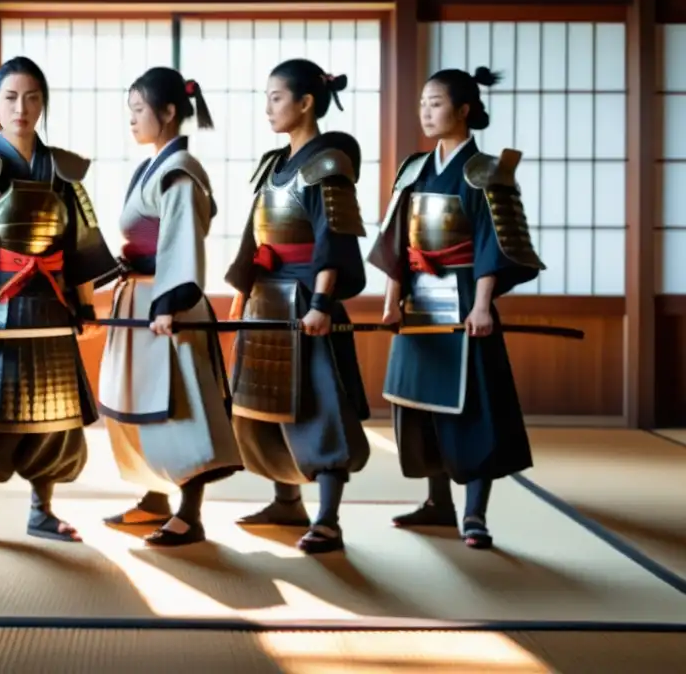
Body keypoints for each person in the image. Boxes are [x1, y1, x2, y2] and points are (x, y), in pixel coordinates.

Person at [0, 56, 117, 548]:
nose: (22, 107)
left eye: (32, 98)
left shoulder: (65, 171)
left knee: (51, 413)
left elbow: (80, 247)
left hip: (50, 308)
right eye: (11, 98)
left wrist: (86, 307)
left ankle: (42, 511)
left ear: (43, 104)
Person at [367, 65, 544, 550]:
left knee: (472, 408)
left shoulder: (486, 170)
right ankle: (436, 503)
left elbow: (492, 242)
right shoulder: (414, 168)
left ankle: (475, 514)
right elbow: (394, 242)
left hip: (466, 296)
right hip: (418, 296)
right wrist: (391, 300)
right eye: (423, 102)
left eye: (437, 103)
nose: (426, 111)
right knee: (422, 405)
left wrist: (483, 305)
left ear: (464, 109)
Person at [224, 59, 372, 555]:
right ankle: (287, 502)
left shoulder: (327, 165)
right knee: (262, 406)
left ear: (306, 103)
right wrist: (241, 295)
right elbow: (254, 237)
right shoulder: (273, 164)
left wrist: (323, 304)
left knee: (319, 407)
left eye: (276, 97)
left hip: (307, 301)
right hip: (267, 298)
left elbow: (335, 239)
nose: (267, 107)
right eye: (266, 97)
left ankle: (329, 519)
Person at [97, 67, 243, 547]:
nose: (133, 120)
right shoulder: (156, 164)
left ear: (168, 112)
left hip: (166, 307)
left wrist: (171, 303)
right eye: (131, 111)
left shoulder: (180, 171)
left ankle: (190, 513)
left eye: (139, 110)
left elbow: (181, 242)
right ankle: (153, 498)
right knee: (137, 406)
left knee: (181, 409)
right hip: (141, 299)